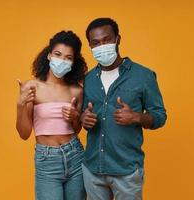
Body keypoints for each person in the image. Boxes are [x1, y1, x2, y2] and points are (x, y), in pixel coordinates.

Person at [80, 18, 167, 200]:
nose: (102, 46)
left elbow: (160, 116)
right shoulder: (87, 80)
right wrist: (83, 118)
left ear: (118, 39)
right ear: (89, 45)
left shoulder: (143, 76)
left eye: (107, 39)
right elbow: (82, 114)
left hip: (126, 171)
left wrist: (137, 117)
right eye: (95, 43)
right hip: (93, 168)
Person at [16, 31, 87, 200]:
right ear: (49, 55)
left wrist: (75, 117)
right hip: (47, 159)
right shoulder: (33, 87)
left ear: (73, 62)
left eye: (68, 57)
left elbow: (76, 129)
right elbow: (24, 134)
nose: (62, 60)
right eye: (58, 54)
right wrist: (20, 105)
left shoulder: (77, 90)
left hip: (75, 155)